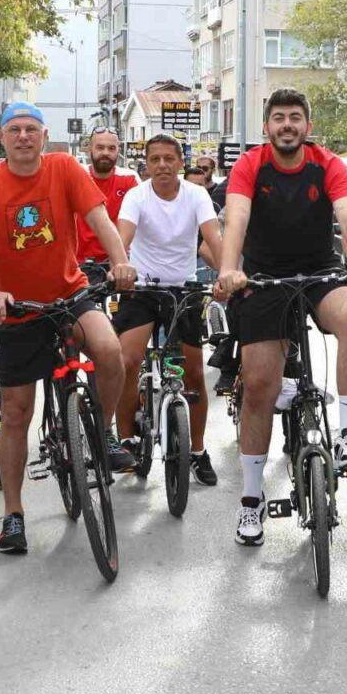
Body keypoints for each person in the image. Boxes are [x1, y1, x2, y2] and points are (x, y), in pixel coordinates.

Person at [0, 102, 136, 554]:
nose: (23, 137)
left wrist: (120, 261)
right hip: (16, 309)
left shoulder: (64, 168)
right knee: (16, 413)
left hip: (68, 295)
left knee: (111, 352)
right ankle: (14, 514)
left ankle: (103, 433)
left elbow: (101, 222)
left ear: (43, 134)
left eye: (31, 129)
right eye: (14, 130)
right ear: (2, 135)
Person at [215, 88, 347, 547]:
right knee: (259, 390)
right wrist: (230, 269)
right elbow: (237, 219)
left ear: (307, 126)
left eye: (295, 118)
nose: (287, 125)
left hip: (320, 272)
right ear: (267, 127)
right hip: (264, 278)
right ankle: (251, 500)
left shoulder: (327, 164)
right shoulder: (251, 165)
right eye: (279, 118)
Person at [113, 134, 224, 485]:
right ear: (145, 163)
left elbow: (213, 238)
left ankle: (198, 450)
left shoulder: (197, 195)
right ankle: (127, 439)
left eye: (168, 158)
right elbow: (122, 239)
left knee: (193, 374)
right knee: (127, 361)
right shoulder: (136, 196)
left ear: (179, 162)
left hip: (183, 289)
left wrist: (227, 273)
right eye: (154, 159)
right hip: (142, 288)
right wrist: (120, 266)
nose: (161, 164)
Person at [75, 127, 140, 267]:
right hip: (78, 262)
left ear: (118, 151)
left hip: (118, 262)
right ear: (90, 149)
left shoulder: (129, 179)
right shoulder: (77, 175)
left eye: (111, 148)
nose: (105, 153)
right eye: (100, 147)